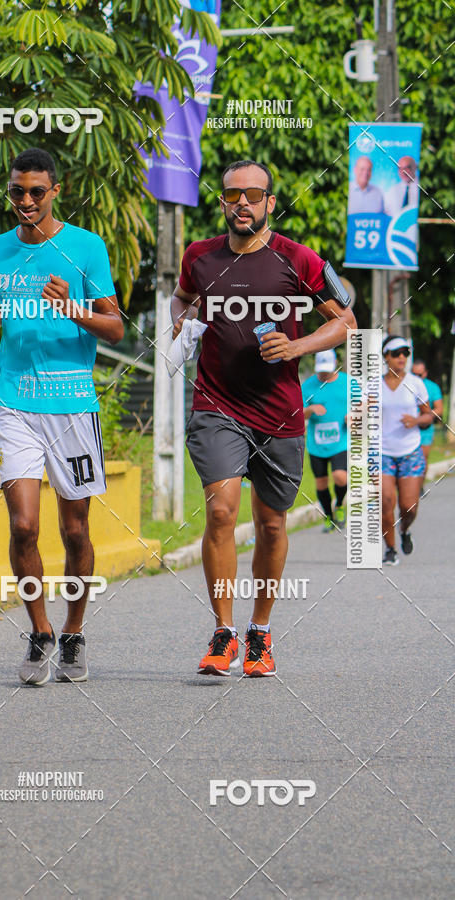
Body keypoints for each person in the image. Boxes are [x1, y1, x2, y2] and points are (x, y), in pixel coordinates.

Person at [171, 159, 356, 678]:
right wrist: (184, 326)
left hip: (279, 412)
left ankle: (261, 631)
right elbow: (181, 300)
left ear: (270, 203)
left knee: (272, 524)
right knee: (222, 513)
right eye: (233, 196)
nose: (243, 204)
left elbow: (346, 320)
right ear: (223, 202)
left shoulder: (298, 260)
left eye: (254, 195)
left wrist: (296, 344)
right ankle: (223, 632)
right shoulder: (200, 257)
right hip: (216, 404)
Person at [0, 148, 123, 685]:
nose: (27, 201)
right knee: (23, 524)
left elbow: (116, 329)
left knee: (76, 528)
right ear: (9, 192)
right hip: (14, 403)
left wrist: (75, 309)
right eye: (18, 191)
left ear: (55, 191)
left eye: (37, 191)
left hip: (72, 406)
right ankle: (40, 635)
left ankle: (75, 633)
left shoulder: (85, 247)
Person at [380, 336, 433, 565]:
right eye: (396, 352)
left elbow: (430, 415)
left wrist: (417, 419)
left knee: (408, 507)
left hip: (410, 450)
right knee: (385, 501)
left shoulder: (416, 383)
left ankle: (404, 529)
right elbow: (360, 412)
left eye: (405, 353)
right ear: (386, 357)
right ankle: (390, 549)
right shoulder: (373, 383)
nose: (402, 357)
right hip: (381, 452)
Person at [302, 349, 349, 532]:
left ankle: (339, 506)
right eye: (321, 370)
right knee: (321, 482)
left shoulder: (347, 382)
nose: (324, 373)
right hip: (316, 444)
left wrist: (353, 416)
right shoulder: (308, 386)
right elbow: (298, 413)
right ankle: (328, 516)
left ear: (335, 362)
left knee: (340, 476)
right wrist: (311, 409)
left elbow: (362, 405)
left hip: (341, 441)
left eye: (327, 369)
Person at [411, 358, 443, 488]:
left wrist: (426, 417)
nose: (417, 377)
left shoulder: (432, 387)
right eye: (414, 374)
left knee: (423, 460)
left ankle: (419, 486)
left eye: (420, 375)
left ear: (425, 373)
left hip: (425, 428)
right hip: (409, 428)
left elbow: (439, 409)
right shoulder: (406, 385)